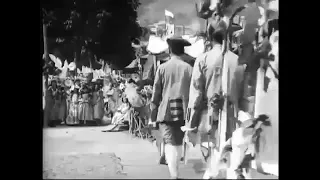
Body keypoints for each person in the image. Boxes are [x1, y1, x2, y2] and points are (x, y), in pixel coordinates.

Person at [184, 19, 245, 179]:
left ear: (210, 37)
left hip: (208, 118)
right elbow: (245, 96)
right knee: (229, 157)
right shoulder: (239, 62)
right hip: (234, 118)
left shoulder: (203, 60)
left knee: (211, 156)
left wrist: (191, 125)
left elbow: (196, 95)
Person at [150, 36, 193, 179]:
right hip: (183, 110)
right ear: (183, 51)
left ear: (170, 50)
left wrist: (152, 115)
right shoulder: (189, 68)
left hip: (166, 110)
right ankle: (174, 172)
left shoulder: (162, 68)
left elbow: (156, 95)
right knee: (178, 141)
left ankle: (174, 175)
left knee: (169, 141)